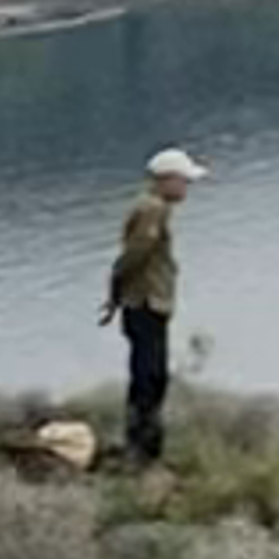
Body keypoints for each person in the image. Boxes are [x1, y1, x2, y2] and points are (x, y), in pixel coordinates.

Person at [101, 147, 205, 469]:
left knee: (150, 376)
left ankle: (144, 446)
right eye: (183, 181)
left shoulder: (154, 209)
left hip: (147, 303)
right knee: (149, 376)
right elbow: (133, 257)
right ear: (166, 181)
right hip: (145, 303)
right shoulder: (152, 210)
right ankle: (142, 449)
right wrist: (116, 296)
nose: (187, 188)